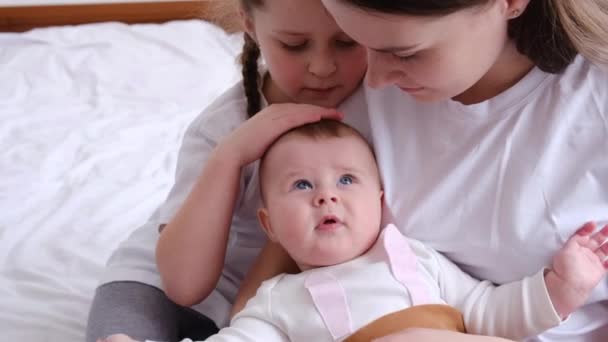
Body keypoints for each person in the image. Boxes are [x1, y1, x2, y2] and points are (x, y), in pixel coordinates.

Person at [232, 0, 608, 340]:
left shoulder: (593, 103)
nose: (374, 81)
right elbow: (257, 307)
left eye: (404, 54)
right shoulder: (350, 99)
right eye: (356, 41)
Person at [101, 120, 608, 342]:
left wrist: (563, 286)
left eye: (346, 180)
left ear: (381, 202)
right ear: (269, 226)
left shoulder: (414, 259)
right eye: (301, 185)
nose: (326, 195)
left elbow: (489, 313)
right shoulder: (278, 300)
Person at [85, 0, 370, 341]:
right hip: (160, 284)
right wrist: (230, 156)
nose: (323, 67)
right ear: (249, 24)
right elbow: (184, 286)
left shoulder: (384, 114)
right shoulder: (220, 128)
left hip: (273, 304)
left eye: (347, 42)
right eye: (294, 45)